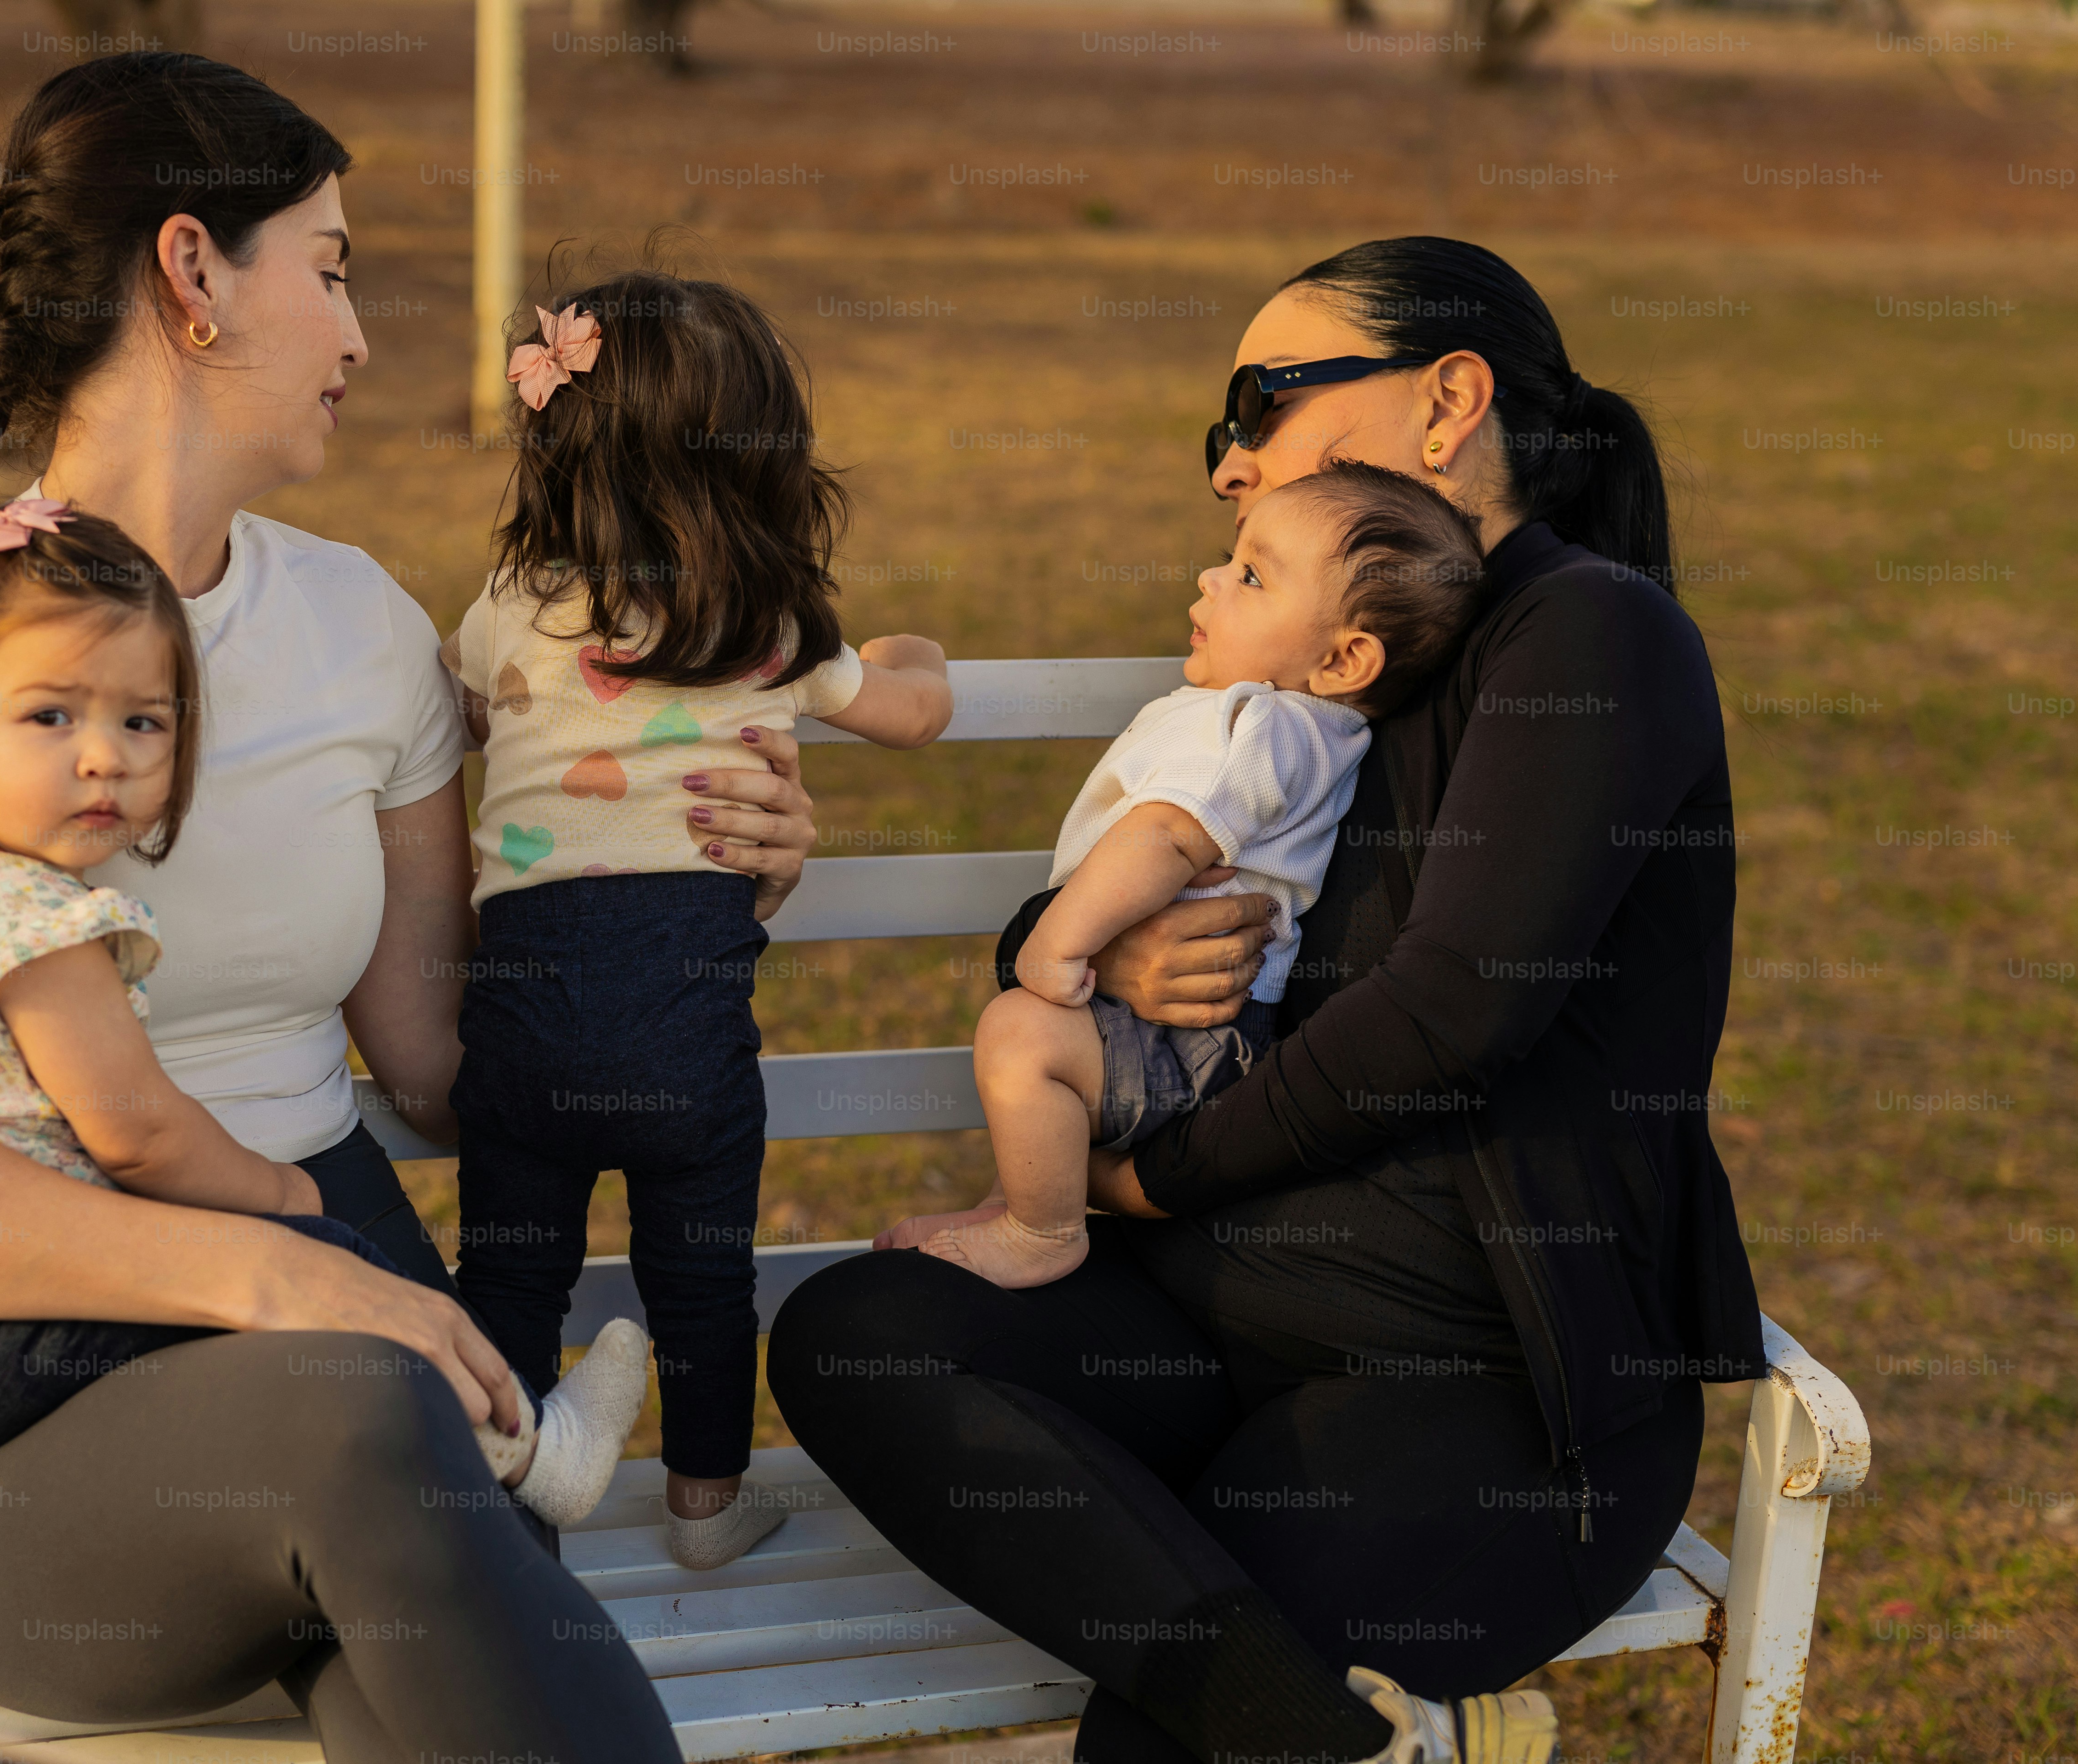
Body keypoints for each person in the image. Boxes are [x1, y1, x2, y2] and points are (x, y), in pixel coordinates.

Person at [0, 52, 817, 1763]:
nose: (362, 336)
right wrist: (273, 1278)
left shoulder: (364, 631)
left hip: (360, 1370)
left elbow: (449, 1073)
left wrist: (684, 888)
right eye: (331, 266)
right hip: (23, 1451)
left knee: (425, 1603)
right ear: (194, 273)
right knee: (366, 1422)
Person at [769, 236, 1765, 1764]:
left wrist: (1146, 1178)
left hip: (1473, 1378)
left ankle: (1294, 1725)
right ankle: (1346, 1744)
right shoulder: (1304, 657)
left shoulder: (1587, 634)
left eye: (1263, 403)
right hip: (1210, 1322)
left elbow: (1451, 1011)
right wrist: (1095, 949)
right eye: (1220, 431)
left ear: (1448, 404)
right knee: (857, 1335)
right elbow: (1139, 864)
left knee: (1156, 1745)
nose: (1231, 464)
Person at [0, 494, 648, 1524]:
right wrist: (277, 1199)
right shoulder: (46, 932)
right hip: (20, 1313)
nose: (103, 757)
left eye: (142, 723)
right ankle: (538, 1452)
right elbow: (136, 1133)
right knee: (334, 1277)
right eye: (51, 717)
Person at [442, 275, 954, 1568]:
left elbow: (463, 714)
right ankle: (706, 1505)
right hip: (687, 1044)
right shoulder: (764, 623)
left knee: (509, 1279)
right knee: (705, 1282)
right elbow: (911, 714)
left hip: (521, 1037)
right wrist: (924, 656)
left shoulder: (512, 602)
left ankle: (496, 1522)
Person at [880, 462, 1482, 1290]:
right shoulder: (1296, 727)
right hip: (1192, 1027)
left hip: (1191, 1039)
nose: (1210, 577)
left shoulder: (1263, 725)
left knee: (1021, 1036)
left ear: (1346, 660)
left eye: (1252, 576)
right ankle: (1010, 1206)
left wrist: (1054, 944)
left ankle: (1042, 1231)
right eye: (1231, 558)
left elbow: (1167, 837)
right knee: (1042, 1059)